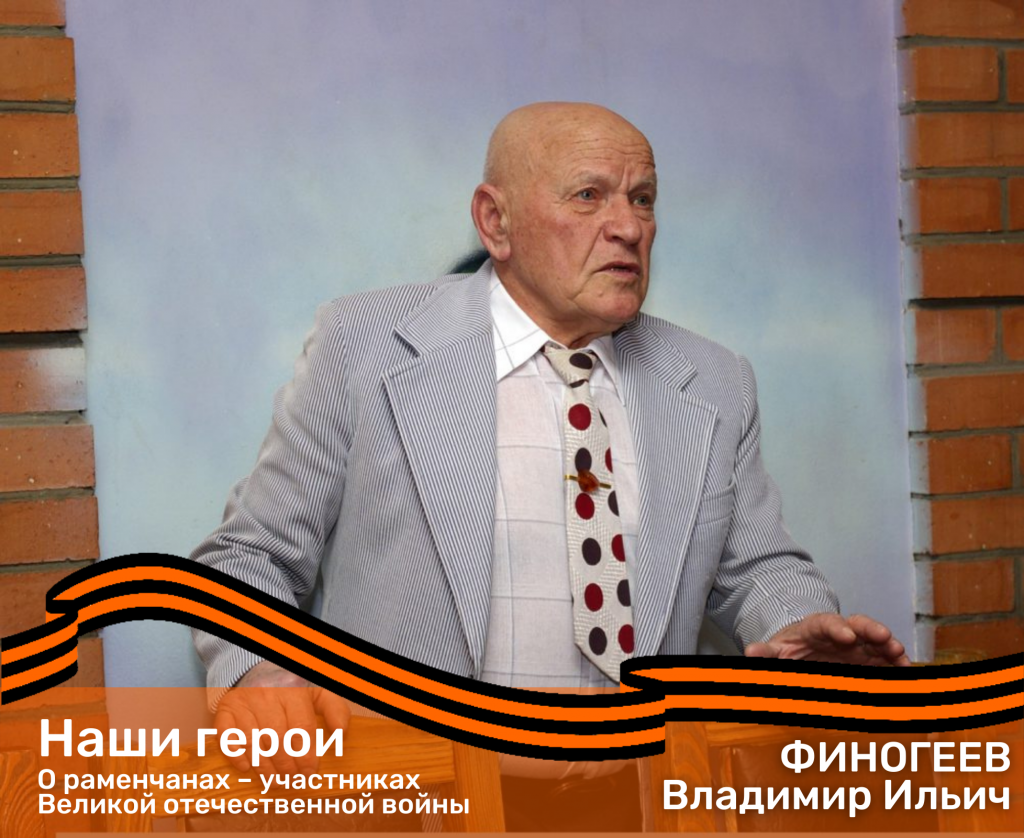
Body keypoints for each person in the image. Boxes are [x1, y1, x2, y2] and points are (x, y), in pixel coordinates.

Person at [191, 102, 908, 827]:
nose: (628, 226)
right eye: (589, 195)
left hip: (638, 806)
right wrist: (256, 670)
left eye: (642, 199)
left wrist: (805, 630)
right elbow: (249, 556)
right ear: (495, 223)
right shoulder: (364, 345)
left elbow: (756, 566)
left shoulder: (714, 382)